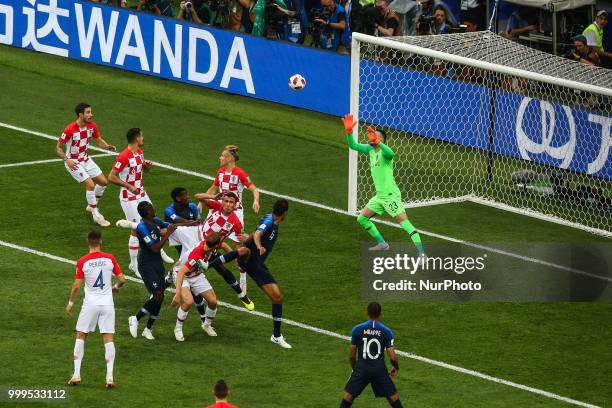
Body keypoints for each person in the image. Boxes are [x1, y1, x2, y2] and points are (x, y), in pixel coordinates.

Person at [342, 114, 425, 256]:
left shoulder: (384, 153)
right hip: (380, 196)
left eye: (374, 135)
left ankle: (422, 254)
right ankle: (382, 244)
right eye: (371, 134)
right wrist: (349, 133)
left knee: (405, 224)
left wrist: (378, 143)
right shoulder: (369, 150)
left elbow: (391, 153)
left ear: (381, 140)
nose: (370, 136)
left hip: (390, 195)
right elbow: (353, 145)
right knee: (362, 218)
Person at [109, 128, 174, 276]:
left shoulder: (139, 153)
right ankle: (134, 264)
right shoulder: (123, 156)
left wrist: (147, 168)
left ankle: (160, 251)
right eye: (141, 136)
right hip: (128, 196)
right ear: (136, 138)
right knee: (137, 228)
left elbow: (139, 171)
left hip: (141, 193)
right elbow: (111, 177)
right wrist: (128, 186)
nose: (143, 138)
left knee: (152, 219)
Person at [196, 145, 260, 293]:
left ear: (230, 158)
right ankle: (202, 260)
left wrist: (256, 200)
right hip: (219, 208)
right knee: (207, 235)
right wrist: (201, 202)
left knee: (238, 245)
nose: (220, 158)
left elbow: (254, 189)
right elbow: (213, 189)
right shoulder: (220, 172)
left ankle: (243, 276)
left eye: (222, 156)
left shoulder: (240, 174)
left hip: (235, 212)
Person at [65, 230, 126, 388]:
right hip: (107, 304)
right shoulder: (109, 258)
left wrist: (71, 303)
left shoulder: (82, 261)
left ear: (87, 242)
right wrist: (115, 287)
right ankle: (110, 377)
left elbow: (77, 286)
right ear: (100, 242)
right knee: (108, 338)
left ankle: (77, 374)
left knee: (81, 335)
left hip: (90, 304)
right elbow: (122, 279)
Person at [171, 232, 250, 340]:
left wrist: (235, 257)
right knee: (189, 301)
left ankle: (206, 325)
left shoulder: (212, 245)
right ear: (215, 246)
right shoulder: (197, 254)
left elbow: (223, 245)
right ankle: (178, 329)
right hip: (183, 275)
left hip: (196, 274)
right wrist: (177, 293)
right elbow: (181, 272)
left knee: (213, 302)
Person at [238, 199, 292, 349]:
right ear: (285, 213)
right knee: (277, 297)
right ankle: (276, 336)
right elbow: (257, 234)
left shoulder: (268, 218)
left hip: (254, 262)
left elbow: (255, 233)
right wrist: (258, 246)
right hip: (253, 263)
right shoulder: (270, 221)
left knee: (277, 297)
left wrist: (249, 240)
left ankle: (276, 335)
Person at [56, 103, 116, 228]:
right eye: (88, 112)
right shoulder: (69, 129)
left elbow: (99, 140)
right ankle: (96, 215)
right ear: (80, 114)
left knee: (104, 182)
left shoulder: (92, 126)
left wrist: (107, 146)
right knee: (90, 185)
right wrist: (67, 159)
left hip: (86, 159)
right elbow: (58, 148)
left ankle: (91, 205)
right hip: (73, 162)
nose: (91, 114)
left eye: (90, 112)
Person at [128, 201, 178, 340]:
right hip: (146, 264)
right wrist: (167, 234)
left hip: (157, 263)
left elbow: (171, 226)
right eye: (151, 207)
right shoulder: (142, 227)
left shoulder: (154, 220)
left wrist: (191, 224)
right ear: (147, 212)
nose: (154, 208)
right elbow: (154, 248)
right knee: (157, 295)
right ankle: (135, 318)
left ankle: (148, 329)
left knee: (160, 295)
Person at [340, 302, 402, 408]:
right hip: (379, 369)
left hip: (362, 368)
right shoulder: (386, 331)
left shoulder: (357, 329)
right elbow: (392, 356)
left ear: (367, 313)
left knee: (348, 396)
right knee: (392, 397)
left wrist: (356, 369)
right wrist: (396, 367)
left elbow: (351, 356)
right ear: (380, 314)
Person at [165, 187, 201, 255]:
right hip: (179, 239)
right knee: (187, 257)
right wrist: (194, 222)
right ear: (178, 198)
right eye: (186, 195)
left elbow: (199, 222)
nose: (188, 197)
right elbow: (184, 222)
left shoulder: (192, 206)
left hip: (194, 236)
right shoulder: (169, 211)